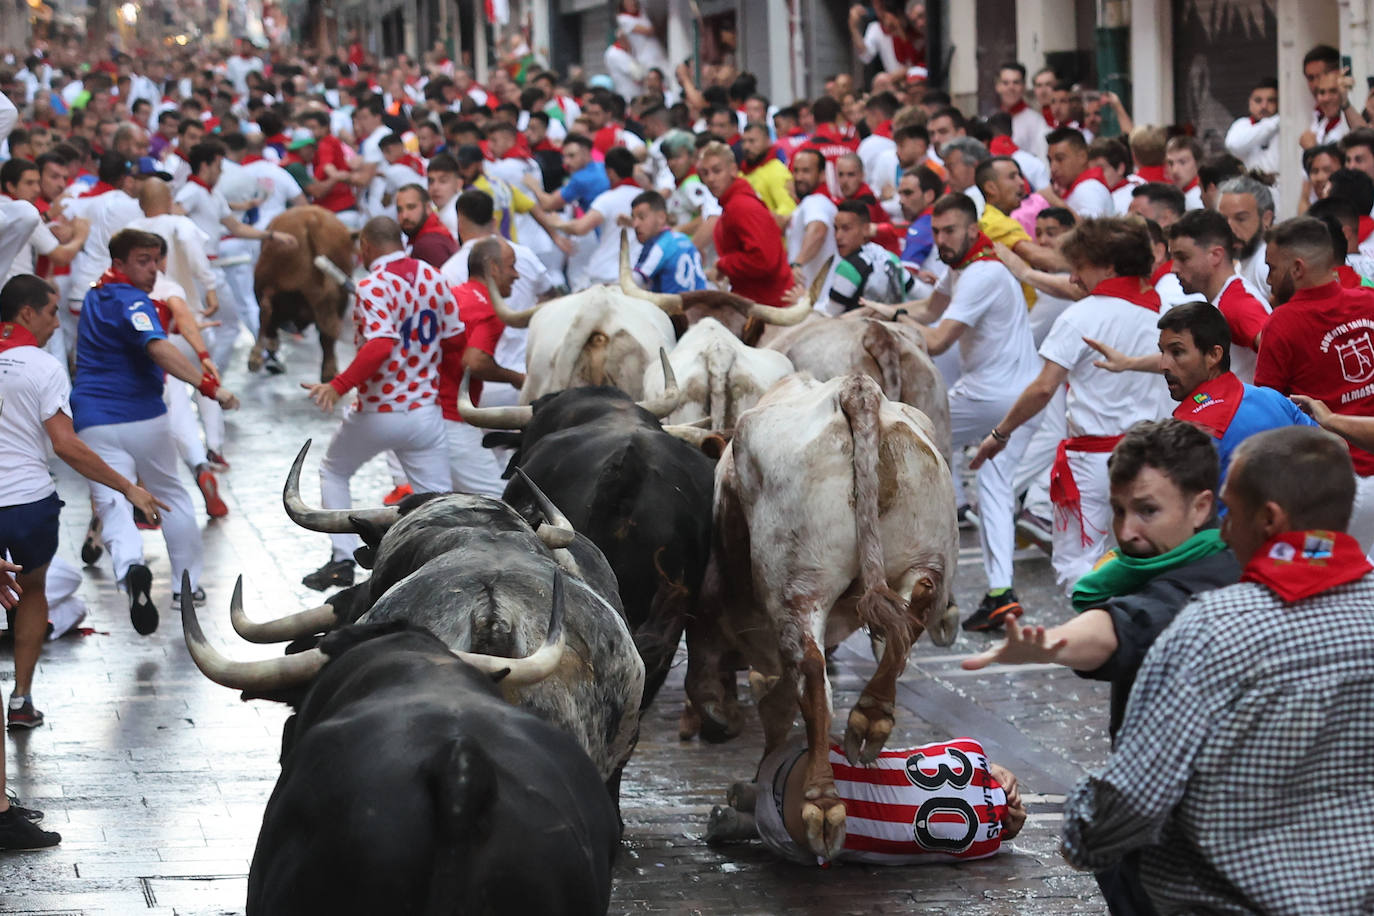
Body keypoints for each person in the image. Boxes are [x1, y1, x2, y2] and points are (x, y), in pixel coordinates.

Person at [1061, 425, 1374, 914]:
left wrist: (1082, 828)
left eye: (1231, 511)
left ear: (1268, 519)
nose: (1223, 529)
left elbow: (1135, 798)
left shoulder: (1213, 628)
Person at [965, 418, 1238, 913]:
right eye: (1118, 510)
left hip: (1188, 861)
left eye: (1148, 511)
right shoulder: (1201, 564)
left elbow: (1122, 630)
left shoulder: (1201, 588)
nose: (1127, 531)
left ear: (1200, 506)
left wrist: (1048, 643)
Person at [0, 274, 166, 732]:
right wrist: (127, 486)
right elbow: (65, 445)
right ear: (27, 314)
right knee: (32, 592)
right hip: (27, 504)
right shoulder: (42, 365)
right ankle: (20, 700)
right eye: (52, 312)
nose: (57, 322)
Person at [972, 218, 1171, 591]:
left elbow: (1043, 389)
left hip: (1092, 466)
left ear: (1109, 267)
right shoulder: (1160, 318)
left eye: (1080, 267)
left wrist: (1001, 433)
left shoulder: (1079, 316)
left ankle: (1097, 640)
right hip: (1151, 462)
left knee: (1075, 565)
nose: (1075, 279)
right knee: (1139, 559)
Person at [71, 229, 240, 633]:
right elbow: (157, 347)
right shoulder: (134, 301)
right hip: (142, 416)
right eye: (143, 260)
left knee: (113, 502)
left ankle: (131, 570)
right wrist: (208, 385)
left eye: (156, 260)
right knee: (171, 497)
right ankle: (186, 587)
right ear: (120, 262)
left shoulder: (96, 294)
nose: (154, 269)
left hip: (92, 419)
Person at [901, 193, 1041, 629]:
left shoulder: (982, 273)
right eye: (936, 231)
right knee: (995, 489)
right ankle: (1001, 593)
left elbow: (938, 338)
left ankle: (913, 577)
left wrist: (887, 325)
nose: (941, 240)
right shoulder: (963, 266)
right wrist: (889, 311)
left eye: (950, 231)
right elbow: (927, 309)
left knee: (904, 440)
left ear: (973, 231)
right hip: (1021, 397)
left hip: (991, 398)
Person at [301, 218, 460, 591]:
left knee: (333, 472)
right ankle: (445, 563)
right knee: (438, 502)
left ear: (367, 248)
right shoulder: (434, 277)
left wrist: (339, 385)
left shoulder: (373, 285)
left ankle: (342, 560)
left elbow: (380, 344)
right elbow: (455, 340)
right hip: (425, 413)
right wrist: (442, 391)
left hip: (379, 411)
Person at [704, 732, 1024, 866]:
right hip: (788, 831)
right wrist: (1002, 834)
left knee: (852, 756)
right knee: (835, 845)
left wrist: (994, 767)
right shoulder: (982, 847)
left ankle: (756, 793)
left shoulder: (971, 749)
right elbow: (907, 860)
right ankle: (750, 824)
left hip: (793, 759)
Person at [1087, 302, 1316, 481]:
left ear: (1214, 356)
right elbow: (1330, 449)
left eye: (1177, 352)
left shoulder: (1188, 431)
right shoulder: (1272, 399)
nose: (1163, 365)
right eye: (1163, 352)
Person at [1254, 216, 1374, 552]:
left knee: (1325, 580)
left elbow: (1270, 417)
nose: (1268, 279)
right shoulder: (1369, 301)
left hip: (1331, 490)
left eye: (1272, 268)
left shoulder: (1281, 324)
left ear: (1297, 269)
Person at [439, 237, 522, 496]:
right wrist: (516, 377)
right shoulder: (489, 308)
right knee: (498, 503)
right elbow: (474, 361)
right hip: (452, 420)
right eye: (511, 266)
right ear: (493, 267)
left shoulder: (455, 294)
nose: (516, 275)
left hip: (427, 418)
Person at [1164, 209, 1271, 382]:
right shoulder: (1224, 299)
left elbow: (1277, 347)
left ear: (1215, 255)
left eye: (1183, 258)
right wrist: (1128, 363)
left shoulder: (1236, 303)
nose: (1173, 268)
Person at [700, 141, 794, 307]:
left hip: (769, 307)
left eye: (717, 171)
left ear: (733, 170)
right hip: (760, 302)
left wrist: (723, 264)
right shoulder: (734, 204)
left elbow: (763, 260)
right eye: (705, 173)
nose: (711, 179)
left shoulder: (741, 205)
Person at [547, 146, 643, 285]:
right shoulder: (646, 198)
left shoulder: (607, 199)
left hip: (605, 273)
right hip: (635, 275)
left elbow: (580, 228)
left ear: (609, 172)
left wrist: (558, 223)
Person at [823, 200, 912, 315]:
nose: (838, 236)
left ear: (866, 229)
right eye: (836, 228)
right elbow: (921, 294)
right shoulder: (892, 259)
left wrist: (803, 302)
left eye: (846, 229)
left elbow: (829, 315)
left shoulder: (849, 268)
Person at [630, 190, 708, 293]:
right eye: (633, 218)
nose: (635, 224)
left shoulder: (657, 245)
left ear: (662, 217)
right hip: (702, 303)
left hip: (676, 306)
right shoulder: (683, 238)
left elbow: (635, 281)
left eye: (641, 217)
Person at [785, 148, 838, 299]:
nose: (799, 177)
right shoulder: (809, 203)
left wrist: (797, 263)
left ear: (822, 175)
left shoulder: (816, 201)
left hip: (818, 303)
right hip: (812, 299)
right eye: (796, 171)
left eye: (806, 171)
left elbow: (818, 231)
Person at [1215, 176, 1275, 302]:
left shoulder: (1266, 266)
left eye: (1241, 219)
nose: (1230, 228)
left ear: (1266, 219)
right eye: (1224, 220)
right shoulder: (1240, 266)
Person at [1046, 128, 1114, 218]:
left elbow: (1093, 228)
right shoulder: (1083, 188)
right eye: (1050, 160)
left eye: (1060, 159)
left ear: (1083, 157)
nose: (1053, 168)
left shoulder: (1089, 188)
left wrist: (1057, 203)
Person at [1224, 78, 1280, 179]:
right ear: (1250, 103)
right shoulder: (1242, 124)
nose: (1264, 106)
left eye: (1271, 100)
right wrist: (1275, 121)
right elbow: (1233, 145)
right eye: (1258, 100)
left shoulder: (1286, 127)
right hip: (1254, 191)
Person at [395, 183, 458, 268]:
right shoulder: (432, 235)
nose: (404, 216)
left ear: (428, 208)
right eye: (399, 210)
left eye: (411, 207)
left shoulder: (428, 245)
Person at [1164, 136, 1204, 210]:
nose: (1175, 170)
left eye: (1182, 162)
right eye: (1170, 163)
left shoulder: (1198, 200)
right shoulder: (1180, 196)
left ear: (1198, 163)